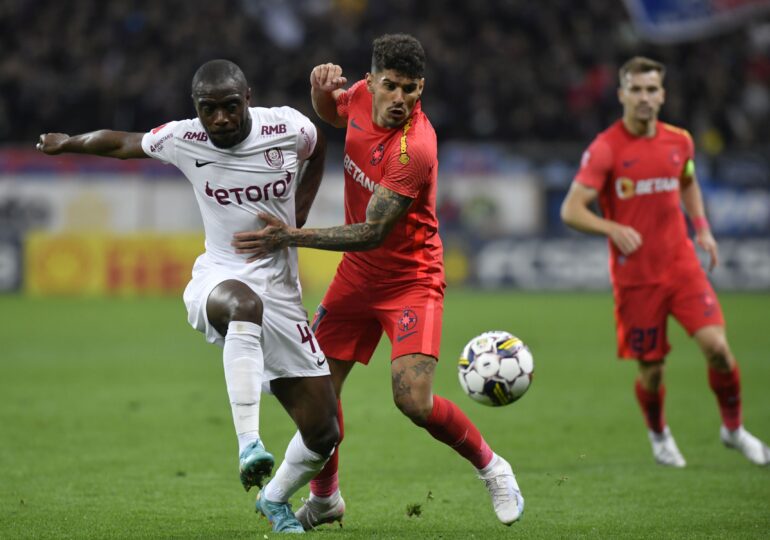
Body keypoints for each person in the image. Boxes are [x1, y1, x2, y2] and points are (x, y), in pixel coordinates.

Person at [231, 34, 525, 528]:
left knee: (413, 401)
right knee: (315, 395)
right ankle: (326, 499)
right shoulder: (361, 100)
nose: (400, 100)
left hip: (411, 279)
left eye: (411, 90)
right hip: (356, 279)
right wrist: (321, 91)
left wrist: (291, 236)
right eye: (390, 86)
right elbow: (333, 114)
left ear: (421, 88)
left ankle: (493, 468)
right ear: (371, 81)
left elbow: (370, 232)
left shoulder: (415, 150)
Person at [37, 59, 341, 533]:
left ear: (248, 99)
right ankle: (249, 445)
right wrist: (67, 142)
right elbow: (121, 142)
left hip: (282, 291)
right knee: (244, 305)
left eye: (229, 107)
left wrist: (294, 225)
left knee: (325, 433)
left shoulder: (286, 126)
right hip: (218, 277)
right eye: (208, 109)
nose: (219, 118)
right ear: (195, 109)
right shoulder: (185, 137)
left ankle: (275, 498)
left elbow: (320, 147)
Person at [560, 56, 769, 468]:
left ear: (662, 95)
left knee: (719, 349)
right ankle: (659, 434)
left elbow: (687, 181)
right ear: (621, 94)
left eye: (651, 89)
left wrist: (703, 228)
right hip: (636, 279)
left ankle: (733, 429)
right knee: (652, 372)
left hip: (681, 266)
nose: (644, 97)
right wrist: (610, 228)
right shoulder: (606, 149)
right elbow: (570, 210)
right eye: (635, 90)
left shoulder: (680, 142)